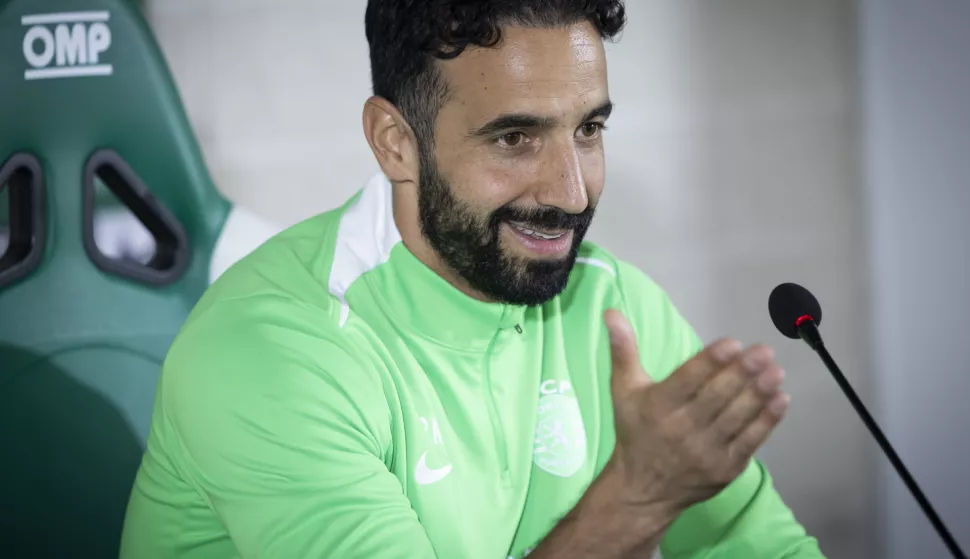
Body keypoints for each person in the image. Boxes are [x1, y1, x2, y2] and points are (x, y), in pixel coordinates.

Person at [120, 1, 826, 557]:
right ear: (396, 142)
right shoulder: (271, 350)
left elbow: (756, 545)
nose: (573, 193)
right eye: (515, 138)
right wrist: (638, 497)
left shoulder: (613, 305)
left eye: (588, 129)